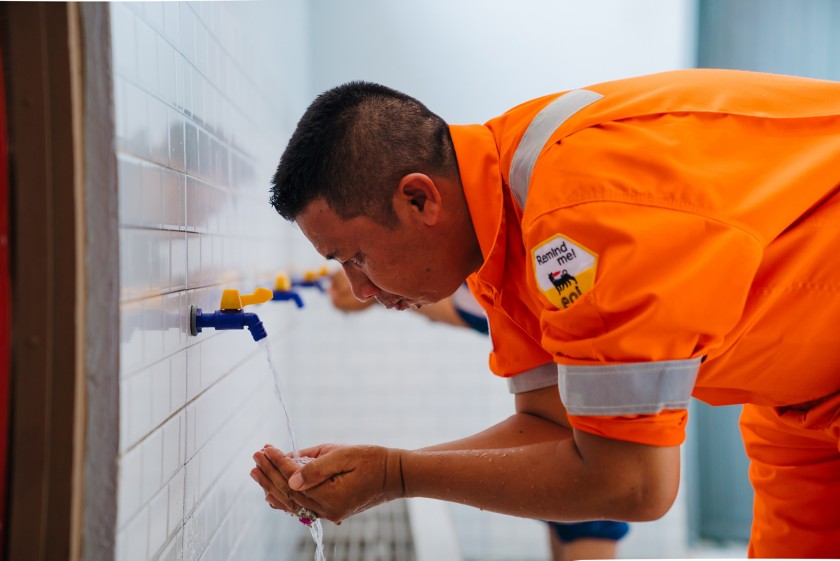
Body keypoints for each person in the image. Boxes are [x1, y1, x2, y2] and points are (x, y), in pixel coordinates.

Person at [251, 69, 840, 557]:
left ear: (418, 198)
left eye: (356, 257)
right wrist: (382, 471)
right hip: (800, 399)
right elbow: (550, 427)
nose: (358, 289)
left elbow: (633, 482)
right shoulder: (499, 228)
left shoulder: (577, 216)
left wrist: (399, 476)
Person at [329, 269, 630, 561]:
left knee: (589, 517)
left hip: (596, 446)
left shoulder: (514, 269)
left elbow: (640, 485)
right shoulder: (491, 285)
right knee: (571, 519)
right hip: (574, 443)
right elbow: (463, 310)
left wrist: (394, 475)